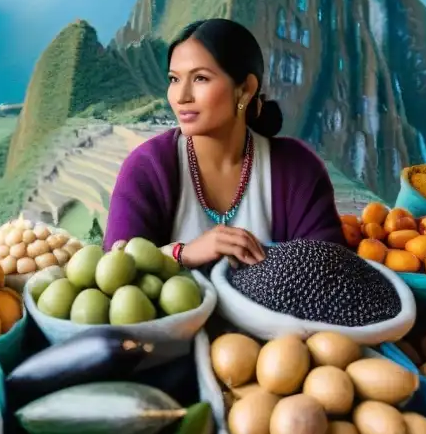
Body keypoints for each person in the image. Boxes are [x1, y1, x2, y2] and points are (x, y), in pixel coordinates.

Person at [104, 18, 345, 269]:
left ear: (245, 89)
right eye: (174, 79)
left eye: (200, 78)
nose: (181, 96)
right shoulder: (147, 168)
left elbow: (329, 272)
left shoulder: (297, 170)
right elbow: (115, 271)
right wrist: (183, 253)